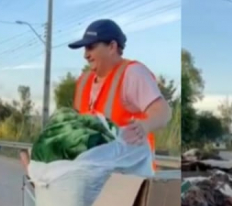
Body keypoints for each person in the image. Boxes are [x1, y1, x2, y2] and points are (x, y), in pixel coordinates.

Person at [67, 19, 171, 157]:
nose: (85, 55)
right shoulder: (83, 81)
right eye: (85, 48)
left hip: (129, 172)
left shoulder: (133, 73)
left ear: (112, 47)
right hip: (94, 171)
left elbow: (163, 112)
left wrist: (144, 126)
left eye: (91, 47)